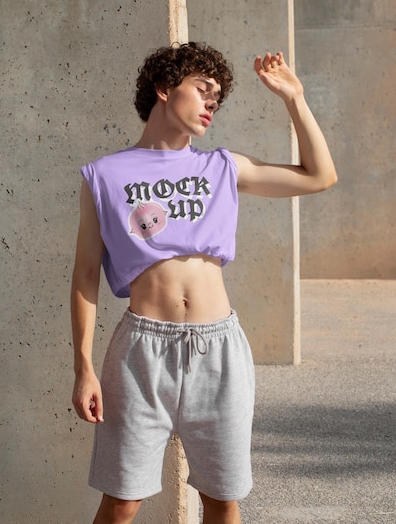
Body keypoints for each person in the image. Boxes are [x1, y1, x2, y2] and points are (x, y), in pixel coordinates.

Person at [71, 42, 337, 524]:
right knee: (123, 500)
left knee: (221, 498)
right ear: (164, 89)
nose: (212, 102)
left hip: (220, 349)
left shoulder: (222, 167)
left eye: (219, 96)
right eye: (202, 89)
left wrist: (294, 99)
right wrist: (83, 367)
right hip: (141, 353)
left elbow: (320, 176)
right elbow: (86, 275)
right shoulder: (105, 176)